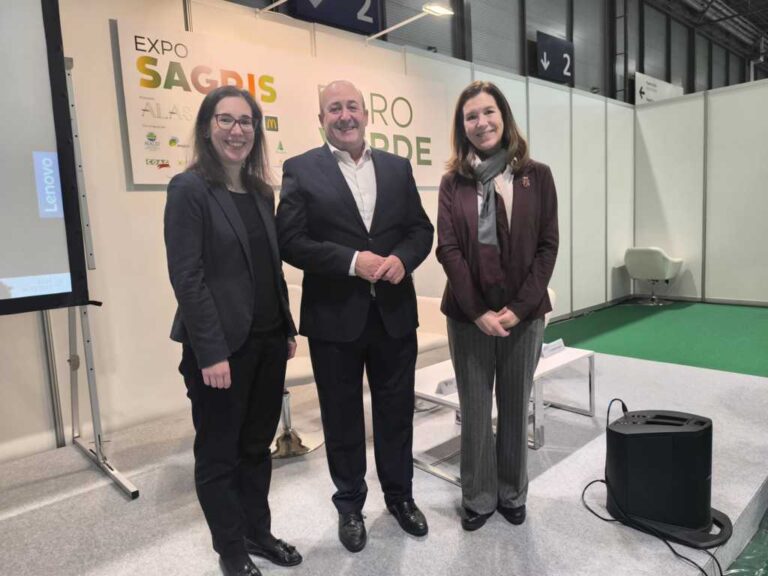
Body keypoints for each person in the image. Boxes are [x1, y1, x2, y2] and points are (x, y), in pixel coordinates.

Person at [276, 80, 434, 552]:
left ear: (366, 115)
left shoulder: (397, 167)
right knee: (341, 417)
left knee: (395, 412)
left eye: (352, 107)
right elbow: (291, 241)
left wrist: (403, 259)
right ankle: (349, 505)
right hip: (333, 319)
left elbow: (419, 229)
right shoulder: (300, 169)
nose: (344, 116)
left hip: (393, 314)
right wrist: (351, 261)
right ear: (320, 118)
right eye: (333, 109)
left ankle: (400, 498)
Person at [164, 85, 302, 576]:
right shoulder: (189, 189)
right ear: (207, 127)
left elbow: (270, 269)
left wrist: (286, 327)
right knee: (219, 453)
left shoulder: (262, 191)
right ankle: (231, 550)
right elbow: (188, 276)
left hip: (267, 342)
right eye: (226, 120)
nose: (237, 130)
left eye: (246, 122)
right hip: (220, 351)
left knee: (255, 449)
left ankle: (256, 532)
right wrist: (210, 351)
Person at [436, 80, 559, 531]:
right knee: (474, 408)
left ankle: (511, 491)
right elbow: (447, 249)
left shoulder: (537, 175)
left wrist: (519, 308)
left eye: (488, 112)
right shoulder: (454, 182)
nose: (481, 122)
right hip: (469, 318)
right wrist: (478, 312)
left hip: (523, 317)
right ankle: (479, 496)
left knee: (514, 404)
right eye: (471, 116)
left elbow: (547, 246)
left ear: (503, 117)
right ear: (462, 126)